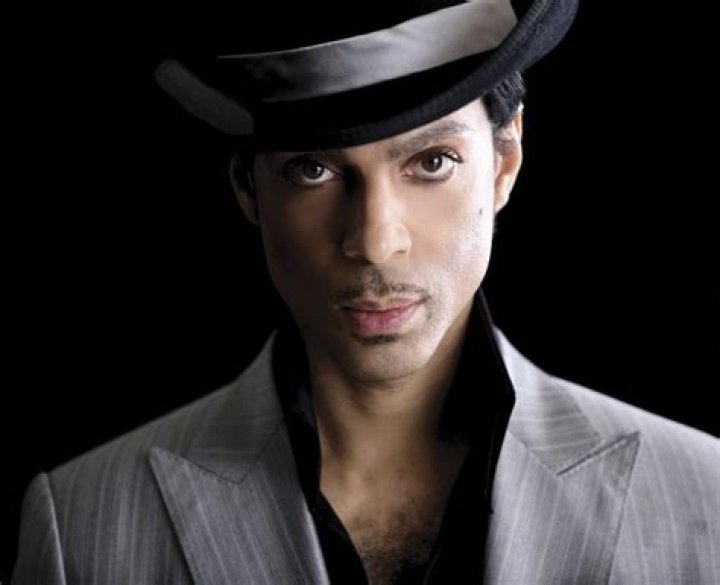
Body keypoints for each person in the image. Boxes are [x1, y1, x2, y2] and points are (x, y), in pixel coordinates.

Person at [12, 1, 719, 584]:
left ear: (505, 160)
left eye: (432, 161)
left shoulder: (706, 497)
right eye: (313, 170)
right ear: (248, 189)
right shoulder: (80, 523)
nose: (375, 241)